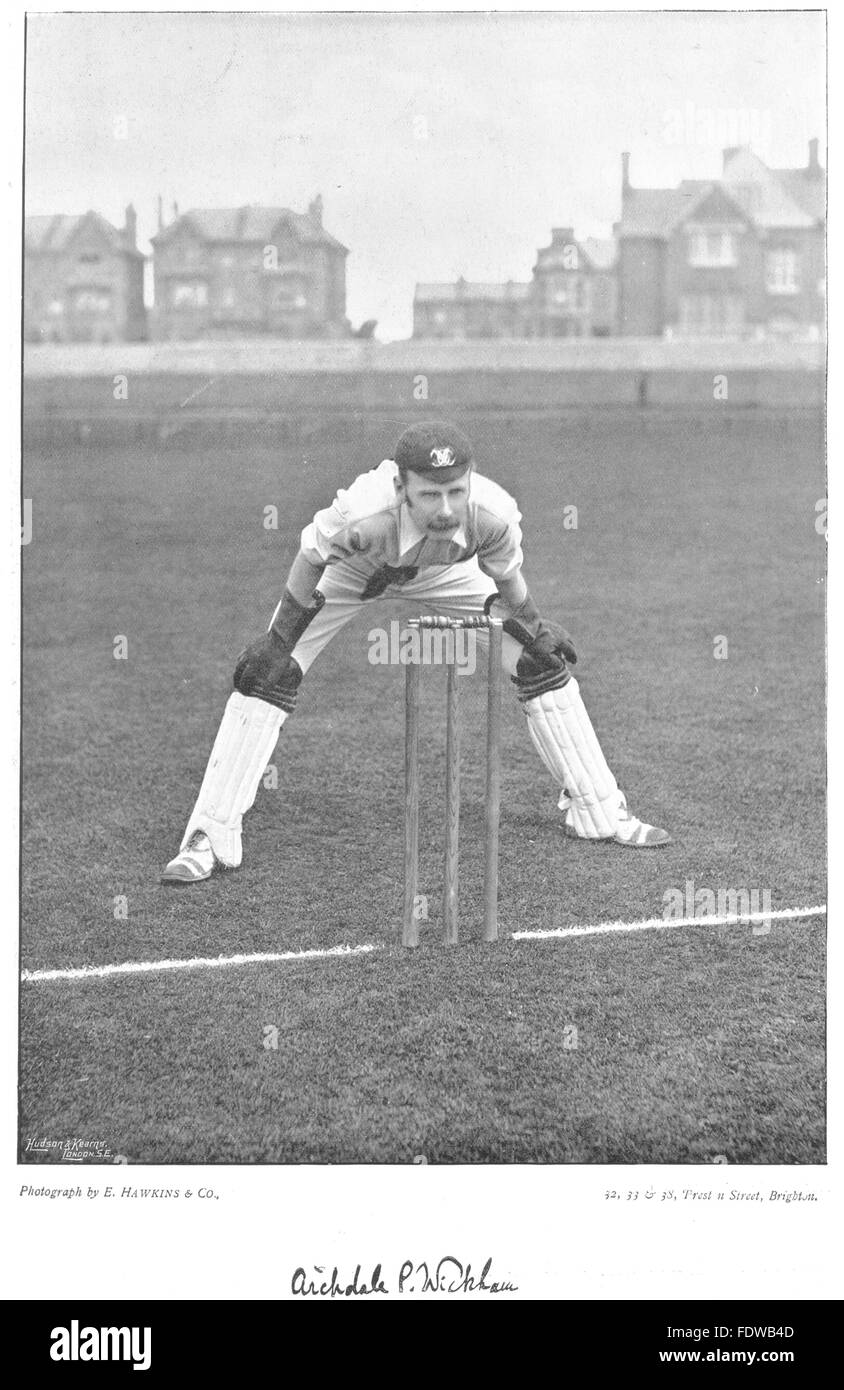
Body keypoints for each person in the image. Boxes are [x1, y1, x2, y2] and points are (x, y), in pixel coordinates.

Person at [161, 420, 671, 883]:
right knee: (267, 675)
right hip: (355, 572)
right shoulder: (361, 514)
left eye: (455, 491)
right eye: (430, 494)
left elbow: (507, 580)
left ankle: (599, 812)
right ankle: (209, 837)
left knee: (539, 660)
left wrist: (534, 628)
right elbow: (311, 558)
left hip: (447, 575)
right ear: (402, 488)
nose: (446, 509)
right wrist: (279, 643)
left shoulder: (491, 516)